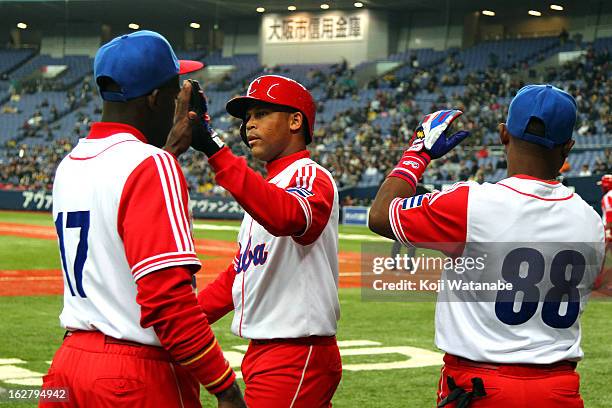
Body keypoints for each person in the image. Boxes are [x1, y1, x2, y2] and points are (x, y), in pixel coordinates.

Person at [40, 30, 244, 408]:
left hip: (68, 367)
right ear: (154, 98)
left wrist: (166, 152)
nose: (178, 106)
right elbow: (167, 302)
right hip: (133, 377)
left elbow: (123, 187)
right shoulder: (151, 165)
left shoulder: (70, 164)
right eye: (173, 94)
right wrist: (224, 386)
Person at [368, 85, 605, 407]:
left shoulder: (471, 203)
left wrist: (418, 153)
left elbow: (381, 215)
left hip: (480, 386)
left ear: (503, 135)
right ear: (568, 148)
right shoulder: (590, 219)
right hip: (559, 390)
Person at [184, 74, 342, 407]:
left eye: (261, 114)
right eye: (247, 118)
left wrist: (214, 149)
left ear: (295, 120)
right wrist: (184, 321)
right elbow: (240, 275)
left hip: (296, 351)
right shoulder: (270, 186)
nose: (249, 125)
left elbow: (286, 216)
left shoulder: (309, 175)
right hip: (266, 351)